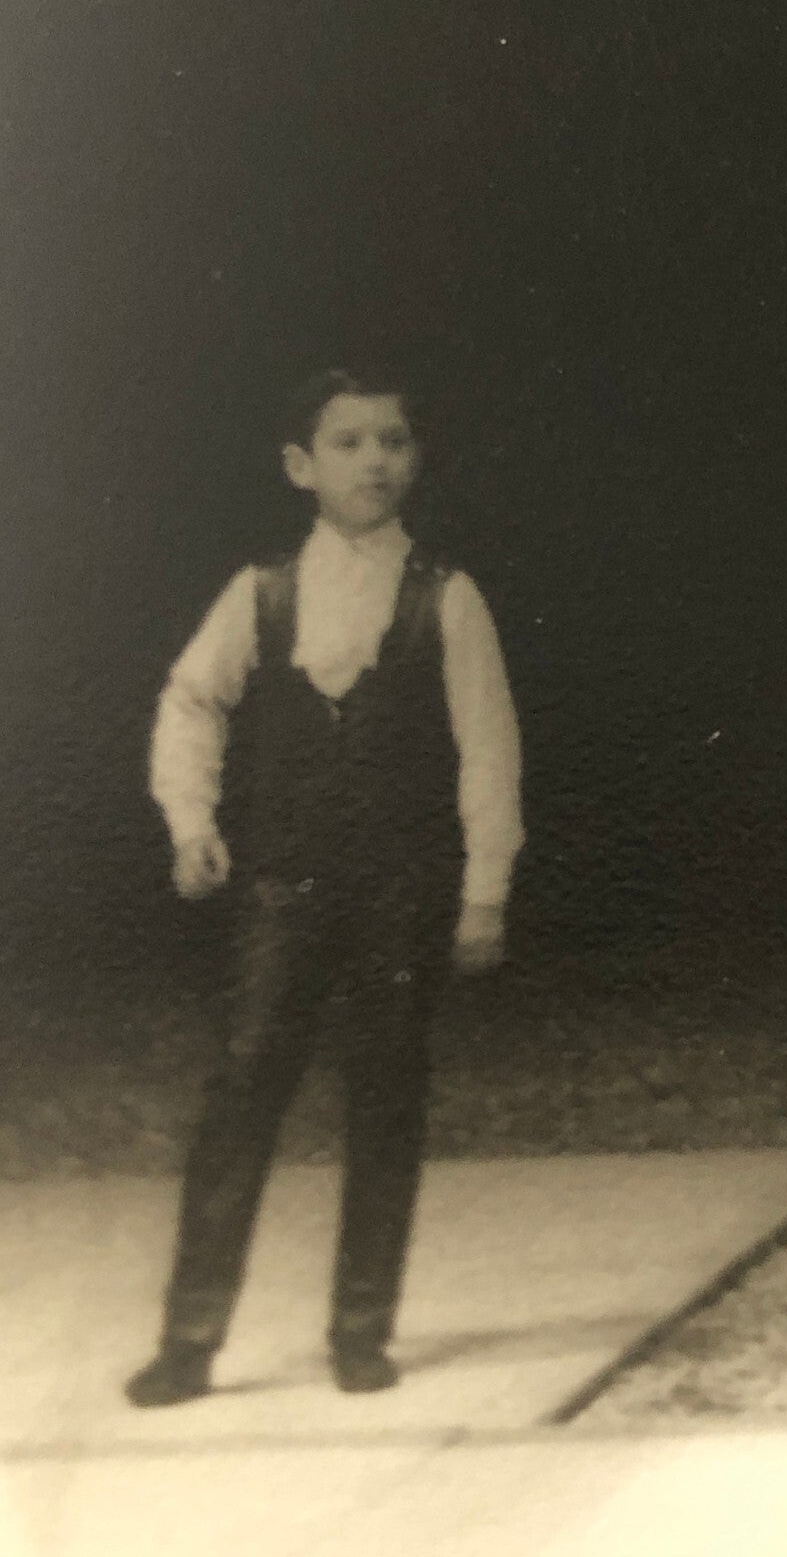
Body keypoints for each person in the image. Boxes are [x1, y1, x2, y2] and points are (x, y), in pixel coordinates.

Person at [125, 370, 524, 1406]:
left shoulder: (449, 595)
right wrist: (191, 819)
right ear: (301, 466)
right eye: (347, 442)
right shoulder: (261, 592)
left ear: (415, 458)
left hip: (401, 891)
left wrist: (484, 888)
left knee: (386, 1096)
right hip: (281, 890)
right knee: (241, 1093)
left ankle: (360, 1328)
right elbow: (190, 698)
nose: (374, 460)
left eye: (392, 439)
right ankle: (190, 1335)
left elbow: (489, 748)